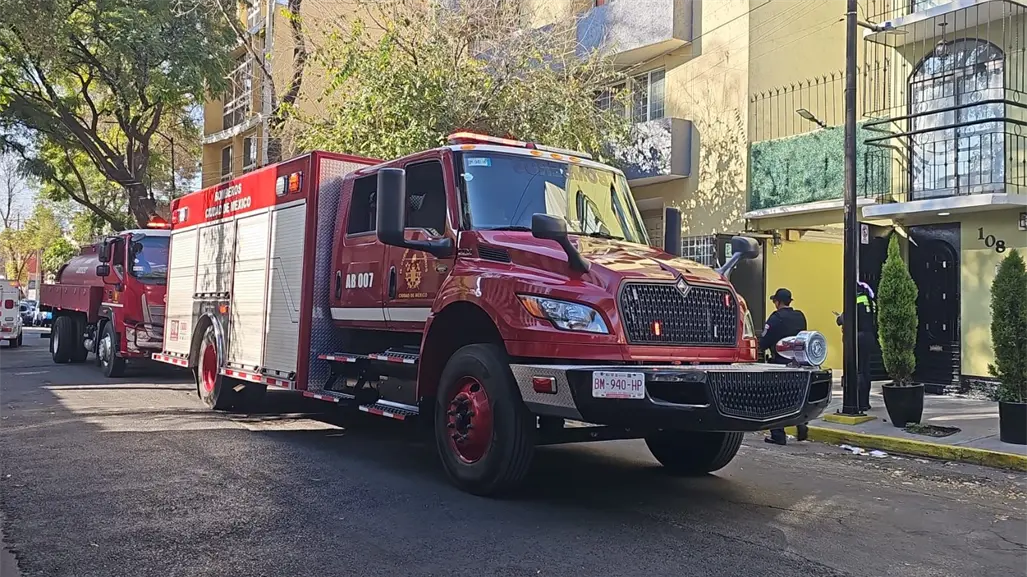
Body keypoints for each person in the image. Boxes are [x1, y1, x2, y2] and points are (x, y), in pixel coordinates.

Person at [761, 288, 809, 445]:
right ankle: (801, 424)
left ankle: (778, 435)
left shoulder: (776, 318)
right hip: (797, 363)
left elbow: (764, 341)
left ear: (778, 302)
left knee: (776, 398)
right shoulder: (799, 316)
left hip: (780, 363)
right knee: (795, 395)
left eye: (775, 301)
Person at [836, 281, 878, 412]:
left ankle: (857, 402)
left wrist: (839, 317)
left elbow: (842, 320)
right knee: (866, 370)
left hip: (857, 338)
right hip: (869, 337)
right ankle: (865, 402)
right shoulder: (871, 302)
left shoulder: (856, 300)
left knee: (857, 370)